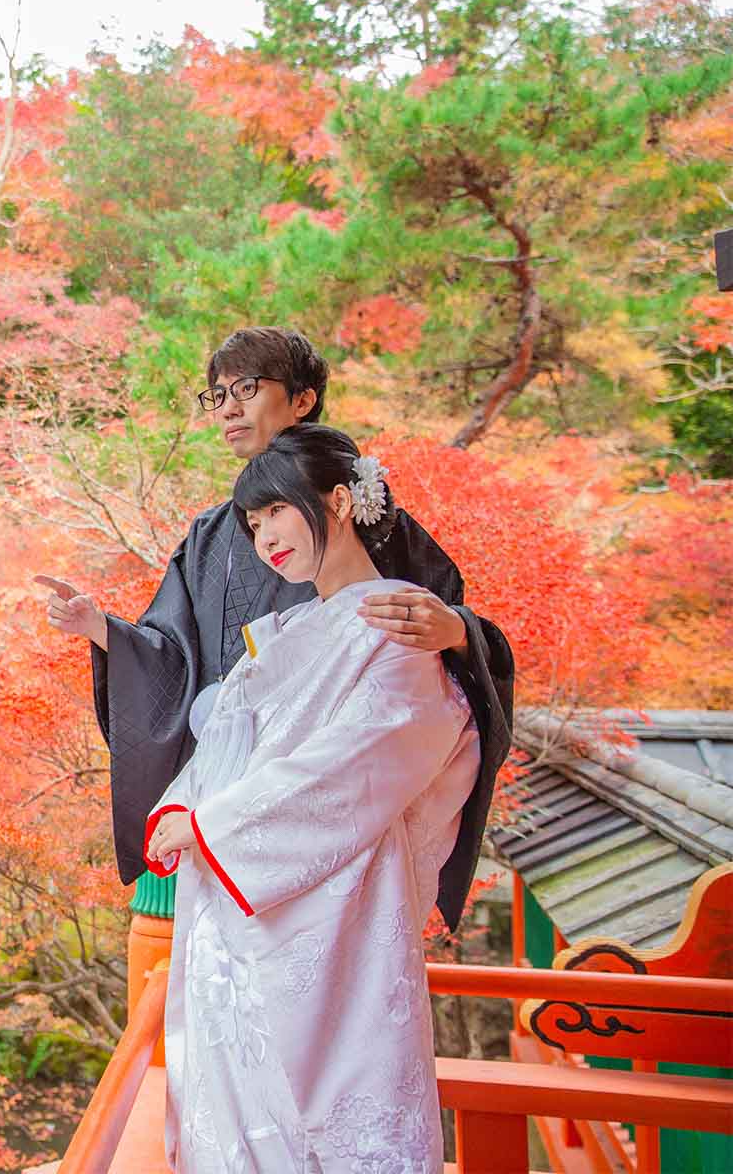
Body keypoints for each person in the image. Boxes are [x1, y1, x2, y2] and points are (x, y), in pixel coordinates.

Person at [37, 327, 512, 932]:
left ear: (303, 400)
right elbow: (179, 659)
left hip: (320, 822)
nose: (228, 407)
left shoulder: (371, 521)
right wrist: (102, 629)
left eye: (246, 388)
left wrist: (458, 631)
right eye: (216, 395)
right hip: (213, 800)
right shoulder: (212, 535)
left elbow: (424, 681)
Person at [145, 423, 478, 1171]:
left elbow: (367, 754)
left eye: (276, 513)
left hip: (342, 903)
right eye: (253, 523)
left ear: (335, 500)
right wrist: (180, 810)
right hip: (236, 901)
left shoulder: (398, 617)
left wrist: (214, 825)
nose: (264, 537)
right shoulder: (288, 628)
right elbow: (223, 737)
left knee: (338, 1103)